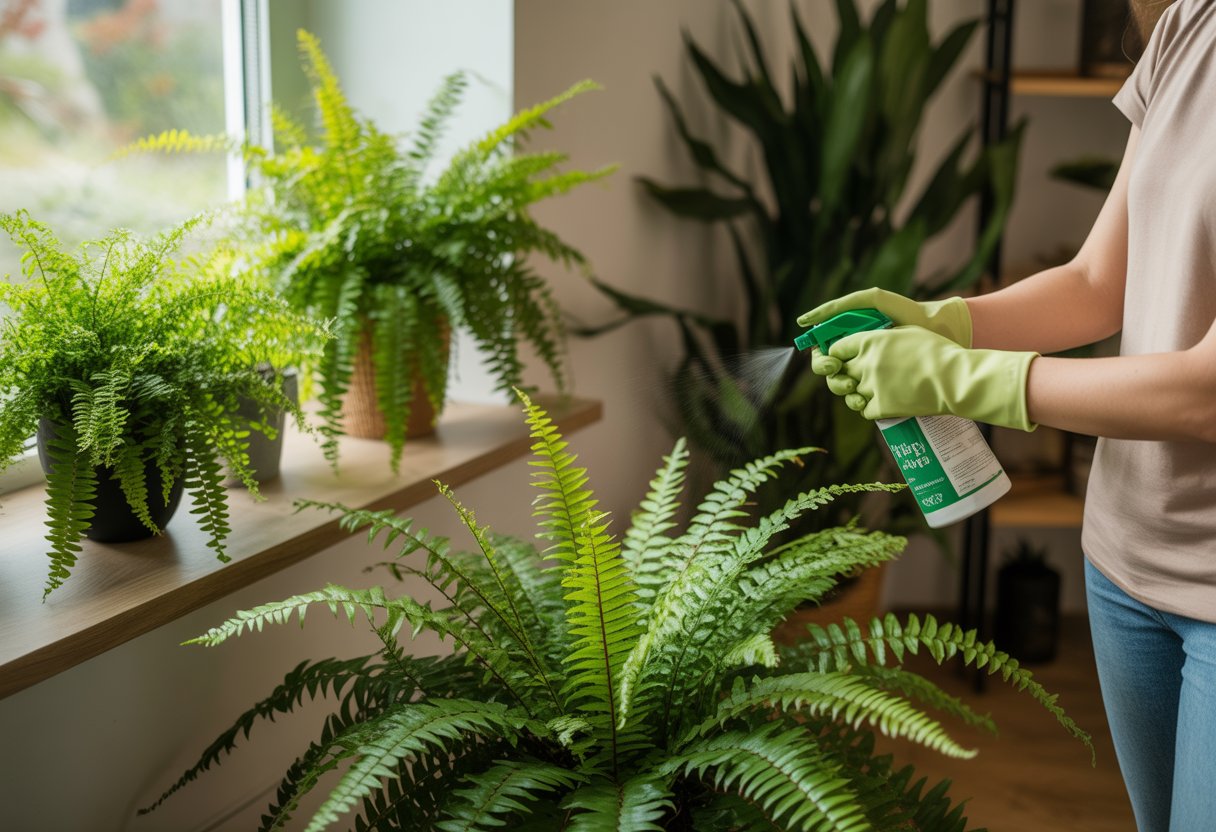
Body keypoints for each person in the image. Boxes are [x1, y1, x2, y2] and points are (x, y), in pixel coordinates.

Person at [796, 2, 1214, 830]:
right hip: (1123, 563)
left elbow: (1207, 393)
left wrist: (965, 379)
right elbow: (1097, 281)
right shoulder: (1182, 34)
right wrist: (942, 320)